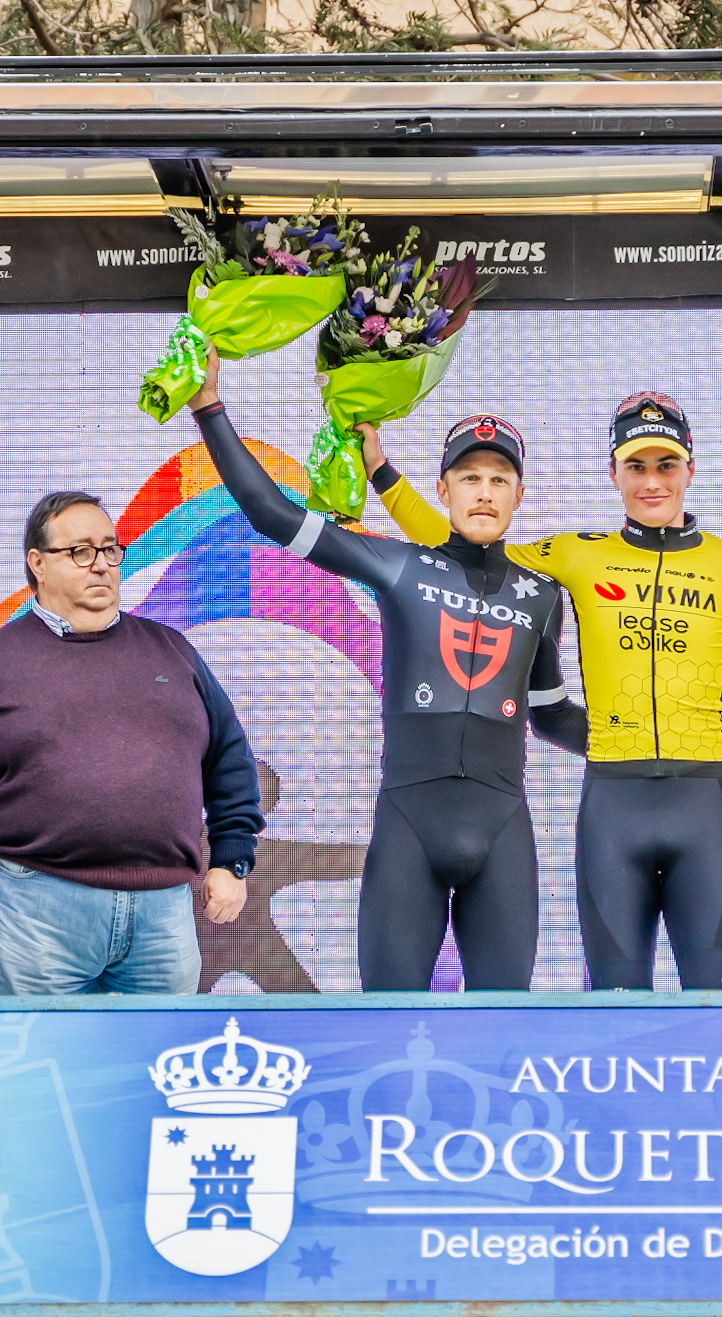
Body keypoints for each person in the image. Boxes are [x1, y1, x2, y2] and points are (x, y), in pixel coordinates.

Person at [360, 391, 722, 990]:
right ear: (614, 473)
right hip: (612, 806)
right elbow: (458, 540)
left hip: (702, 802)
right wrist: (383, 475)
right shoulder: (576, 554)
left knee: (719, 1007)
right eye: (636, 466)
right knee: (616, 1014)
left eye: (666, 465)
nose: (652, 482)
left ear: (690, 470)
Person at [186, 352, 587, 991]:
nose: (484, 492)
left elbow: (552, 716)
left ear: (519, 494)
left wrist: (649, 742)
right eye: (469, 477)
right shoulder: (401, 565)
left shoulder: (541, 595)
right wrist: (209, 408)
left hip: (503, 834)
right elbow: (273, 514)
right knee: (388, 1022)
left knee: (504, 1027)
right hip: (409, 829)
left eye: (499, 479)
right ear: (443, 490)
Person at [0, 489, 264, 995]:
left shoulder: (173, 651)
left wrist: (231, 859)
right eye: (80, 552)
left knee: (161, 1048)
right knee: (38, 1048)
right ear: (38, 564)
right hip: (34, 912)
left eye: (110, 549)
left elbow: (230, 761)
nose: (100, 564)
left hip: (163, 916)